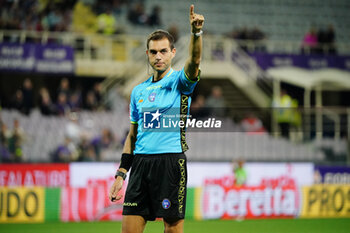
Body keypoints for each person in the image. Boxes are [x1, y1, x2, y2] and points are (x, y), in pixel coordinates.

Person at [109, 5, 204, 233]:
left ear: (172, 52)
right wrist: (121, 174)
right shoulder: (138, 92)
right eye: (153, 52)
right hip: (140, 166)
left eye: (163, 51)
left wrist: (196, 33)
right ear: (147, 55)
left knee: (172, 230)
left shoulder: (179, 83)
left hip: (170, 163)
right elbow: (132, 136)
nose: (158, 56)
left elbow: (194, 62)